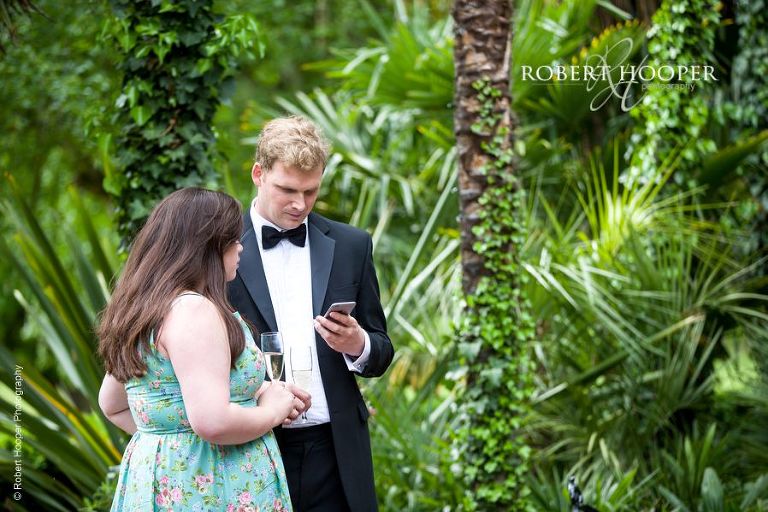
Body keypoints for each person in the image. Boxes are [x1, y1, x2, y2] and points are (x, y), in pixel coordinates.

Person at [97, 187, 311, 511]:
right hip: (210, 488)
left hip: (156, 484)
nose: (241, 248)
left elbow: (113, 404)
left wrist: (261, 391)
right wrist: (272, 413)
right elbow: (212, 422)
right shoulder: (193, 311)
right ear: (208, 247)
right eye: (233, 240)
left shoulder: (145, 309)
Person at [228, 116, 394, 511]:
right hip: (251, 446)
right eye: (287, 189)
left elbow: (382, 350)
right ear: (257, 173)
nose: (299, 204)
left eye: (311, 191)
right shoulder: (220, 246)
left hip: (335, 449)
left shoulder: (352, 245)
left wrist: (359, 345)